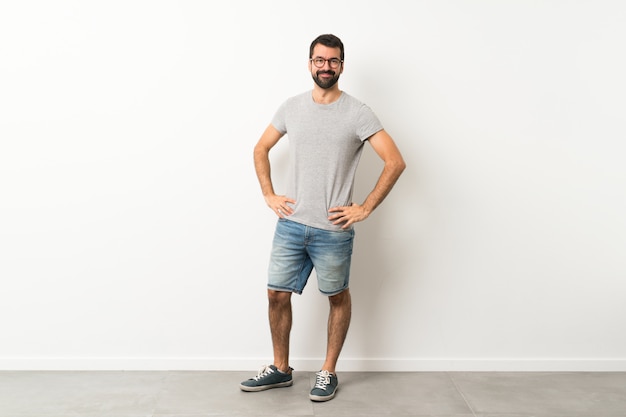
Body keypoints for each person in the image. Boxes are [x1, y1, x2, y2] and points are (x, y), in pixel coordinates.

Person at [240, 34, 406, 402]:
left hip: (333, 229)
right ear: (310, 63)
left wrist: (364, 207)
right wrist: (269, 195)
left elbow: (395, 162)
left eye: (332, 61)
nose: (325, 66)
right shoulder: (291, 107)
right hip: (291, 224)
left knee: (337, 297)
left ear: (342, 66)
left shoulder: (358, 112)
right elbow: (261, 148)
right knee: (275, 294)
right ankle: (281, 370)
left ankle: (327, 371)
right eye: (319, 60)